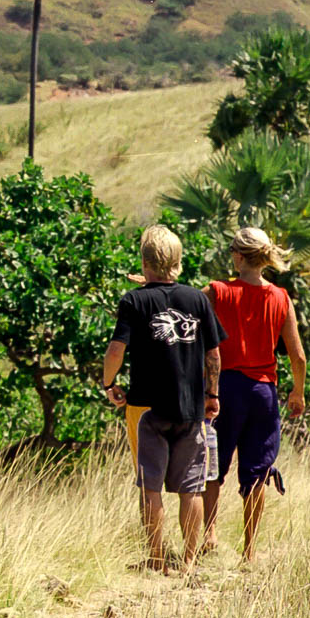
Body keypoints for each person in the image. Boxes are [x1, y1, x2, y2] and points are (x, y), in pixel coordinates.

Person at [101, 226, 225, 574]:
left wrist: (108, 383)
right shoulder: (197, 300)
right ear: (178, 261)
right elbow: (213, 354)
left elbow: (115, 350)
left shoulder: (133, 300)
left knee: (150, 485)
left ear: (144, 261)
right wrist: (212, 394)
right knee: (191, 487)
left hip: (145, 408)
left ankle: (156, 559)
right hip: (190, 405)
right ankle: (187, 561)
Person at [203, 226, 307, 562]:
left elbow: (185, 308)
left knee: (214, 465)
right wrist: (297, 393)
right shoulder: (280, 297)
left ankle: (209, 536)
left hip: (225, 388)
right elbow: (298, 356)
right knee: (258, 470)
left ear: (237, 255)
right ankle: (249, 551)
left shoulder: (217, 291)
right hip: (263, 391)